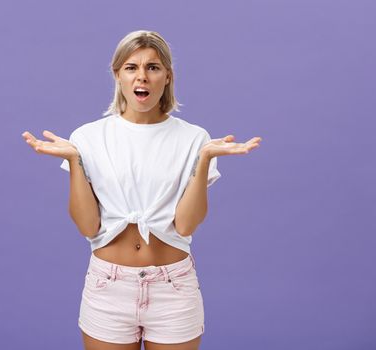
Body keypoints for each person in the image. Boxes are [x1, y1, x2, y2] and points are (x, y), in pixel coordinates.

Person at [22, 30, 262, 350]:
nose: (142, 76)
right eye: (132, 67)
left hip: (173, 288)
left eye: (153, 67)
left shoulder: (193, 138)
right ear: (118, 75)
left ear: (167, 76)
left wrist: (204, 159)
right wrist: (75, 160)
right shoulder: (88, 137)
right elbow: (87, 226)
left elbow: (186, 226)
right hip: (108, 287)